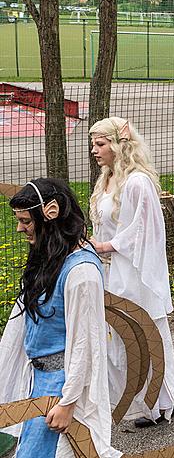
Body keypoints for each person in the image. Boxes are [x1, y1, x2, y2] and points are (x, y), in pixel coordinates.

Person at [1, 180, 116, 458]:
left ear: (51, 212)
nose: (20, 228)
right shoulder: (52, 258)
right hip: (39, 382)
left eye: (26, 221)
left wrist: (68, 402)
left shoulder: (81, 272)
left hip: (61, 386)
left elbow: (85, 344)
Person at [88, 117, 174, 427]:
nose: (94, 150)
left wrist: (108, 245)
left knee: (144, 336)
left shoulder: (137, 182)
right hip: (109, 271)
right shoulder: (107, 179)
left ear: (118, 144)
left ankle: (163, 400)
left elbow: (145, 228)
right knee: (120, 341)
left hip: (132, 272)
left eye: (100, 144)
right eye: (93, 144)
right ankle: (139, 399)